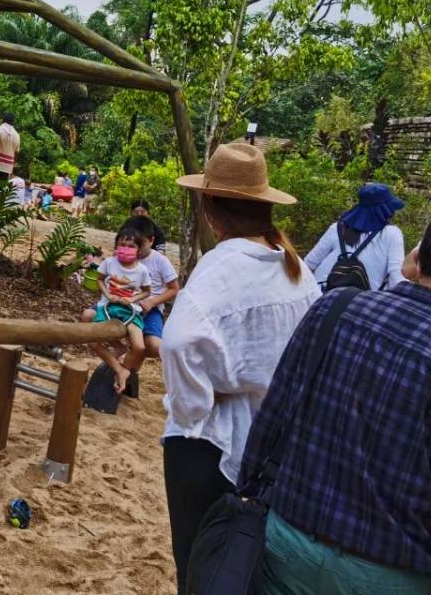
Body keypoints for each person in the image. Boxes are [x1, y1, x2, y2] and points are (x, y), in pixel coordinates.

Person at [241, 207, 431, 594]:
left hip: (289, 540)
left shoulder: (335, 309)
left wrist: (250, 493)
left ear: (419, 258)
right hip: (393, 571)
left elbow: (276, 412)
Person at [161, 142, 320, 593]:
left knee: (197, 558)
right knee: (245, 560)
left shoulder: (221, 265)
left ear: (210, 207)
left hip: (208, 442)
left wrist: (194, 407)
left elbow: (178, 340)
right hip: (271, 441)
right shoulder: (295, 268)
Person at [80, 227, 151, 394]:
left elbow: (147, 291)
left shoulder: (142, 270)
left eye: (130, 245)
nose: (125, 248)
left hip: (130, 310)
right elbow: (99, 280)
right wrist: (107, 294)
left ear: (138, 250)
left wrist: (132, 300)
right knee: (92, 339)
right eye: (122, 244)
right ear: (117, 246)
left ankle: (124, 370)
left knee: (139, 347)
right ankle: (119, 370)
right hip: (108, 306)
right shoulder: (110, 262)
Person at [304, 182, 406, 291]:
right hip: (359, 301)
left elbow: (308, 264)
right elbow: (396, 277)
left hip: (321, 293)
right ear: (385, 210)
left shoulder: (338, 227)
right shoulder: (392, 234)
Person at [121, 214, 180, 370]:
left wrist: (152, 302)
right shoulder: (124, 257)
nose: (137, 249)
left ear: (152, 241)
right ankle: (122, 368)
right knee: (89, 315)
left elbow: (174, 289)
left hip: (150, 309)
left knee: (153, 346)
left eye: (142, 244)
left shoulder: (160, 261)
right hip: (124, 305)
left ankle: (128, 370)